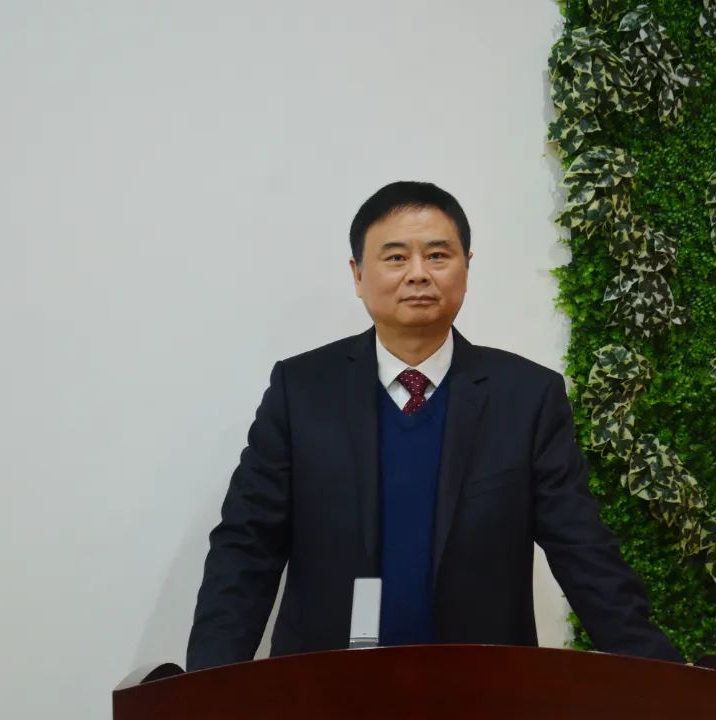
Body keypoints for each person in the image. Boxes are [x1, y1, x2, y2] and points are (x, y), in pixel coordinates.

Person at [186, 181, 683, 671]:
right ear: (358, 274)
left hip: (483, 688)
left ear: (467, 268)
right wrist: (202, 689)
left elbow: (582, 549)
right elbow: (247, 546)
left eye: (438, 255)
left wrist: (664, 679)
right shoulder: (301, 390)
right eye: (396, 257)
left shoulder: (527, 397)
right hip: (324, 687)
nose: (418, 274)